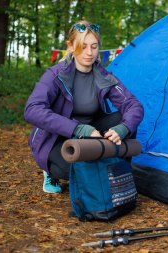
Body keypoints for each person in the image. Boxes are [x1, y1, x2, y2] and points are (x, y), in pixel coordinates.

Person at [24, 21, 144, 193]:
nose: (89, 53)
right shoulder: (55, 75)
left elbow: (134, 105)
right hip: (57, 138)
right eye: (83, 46)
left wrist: (123, 128)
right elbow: (32, 110)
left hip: (92, 134)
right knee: (81, 171)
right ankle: (50, 171)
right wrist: (80, 129)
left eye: (94, 46)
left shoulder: (104, 76)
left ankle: (118, 175)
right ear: (71, 46)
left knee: (122, 119)